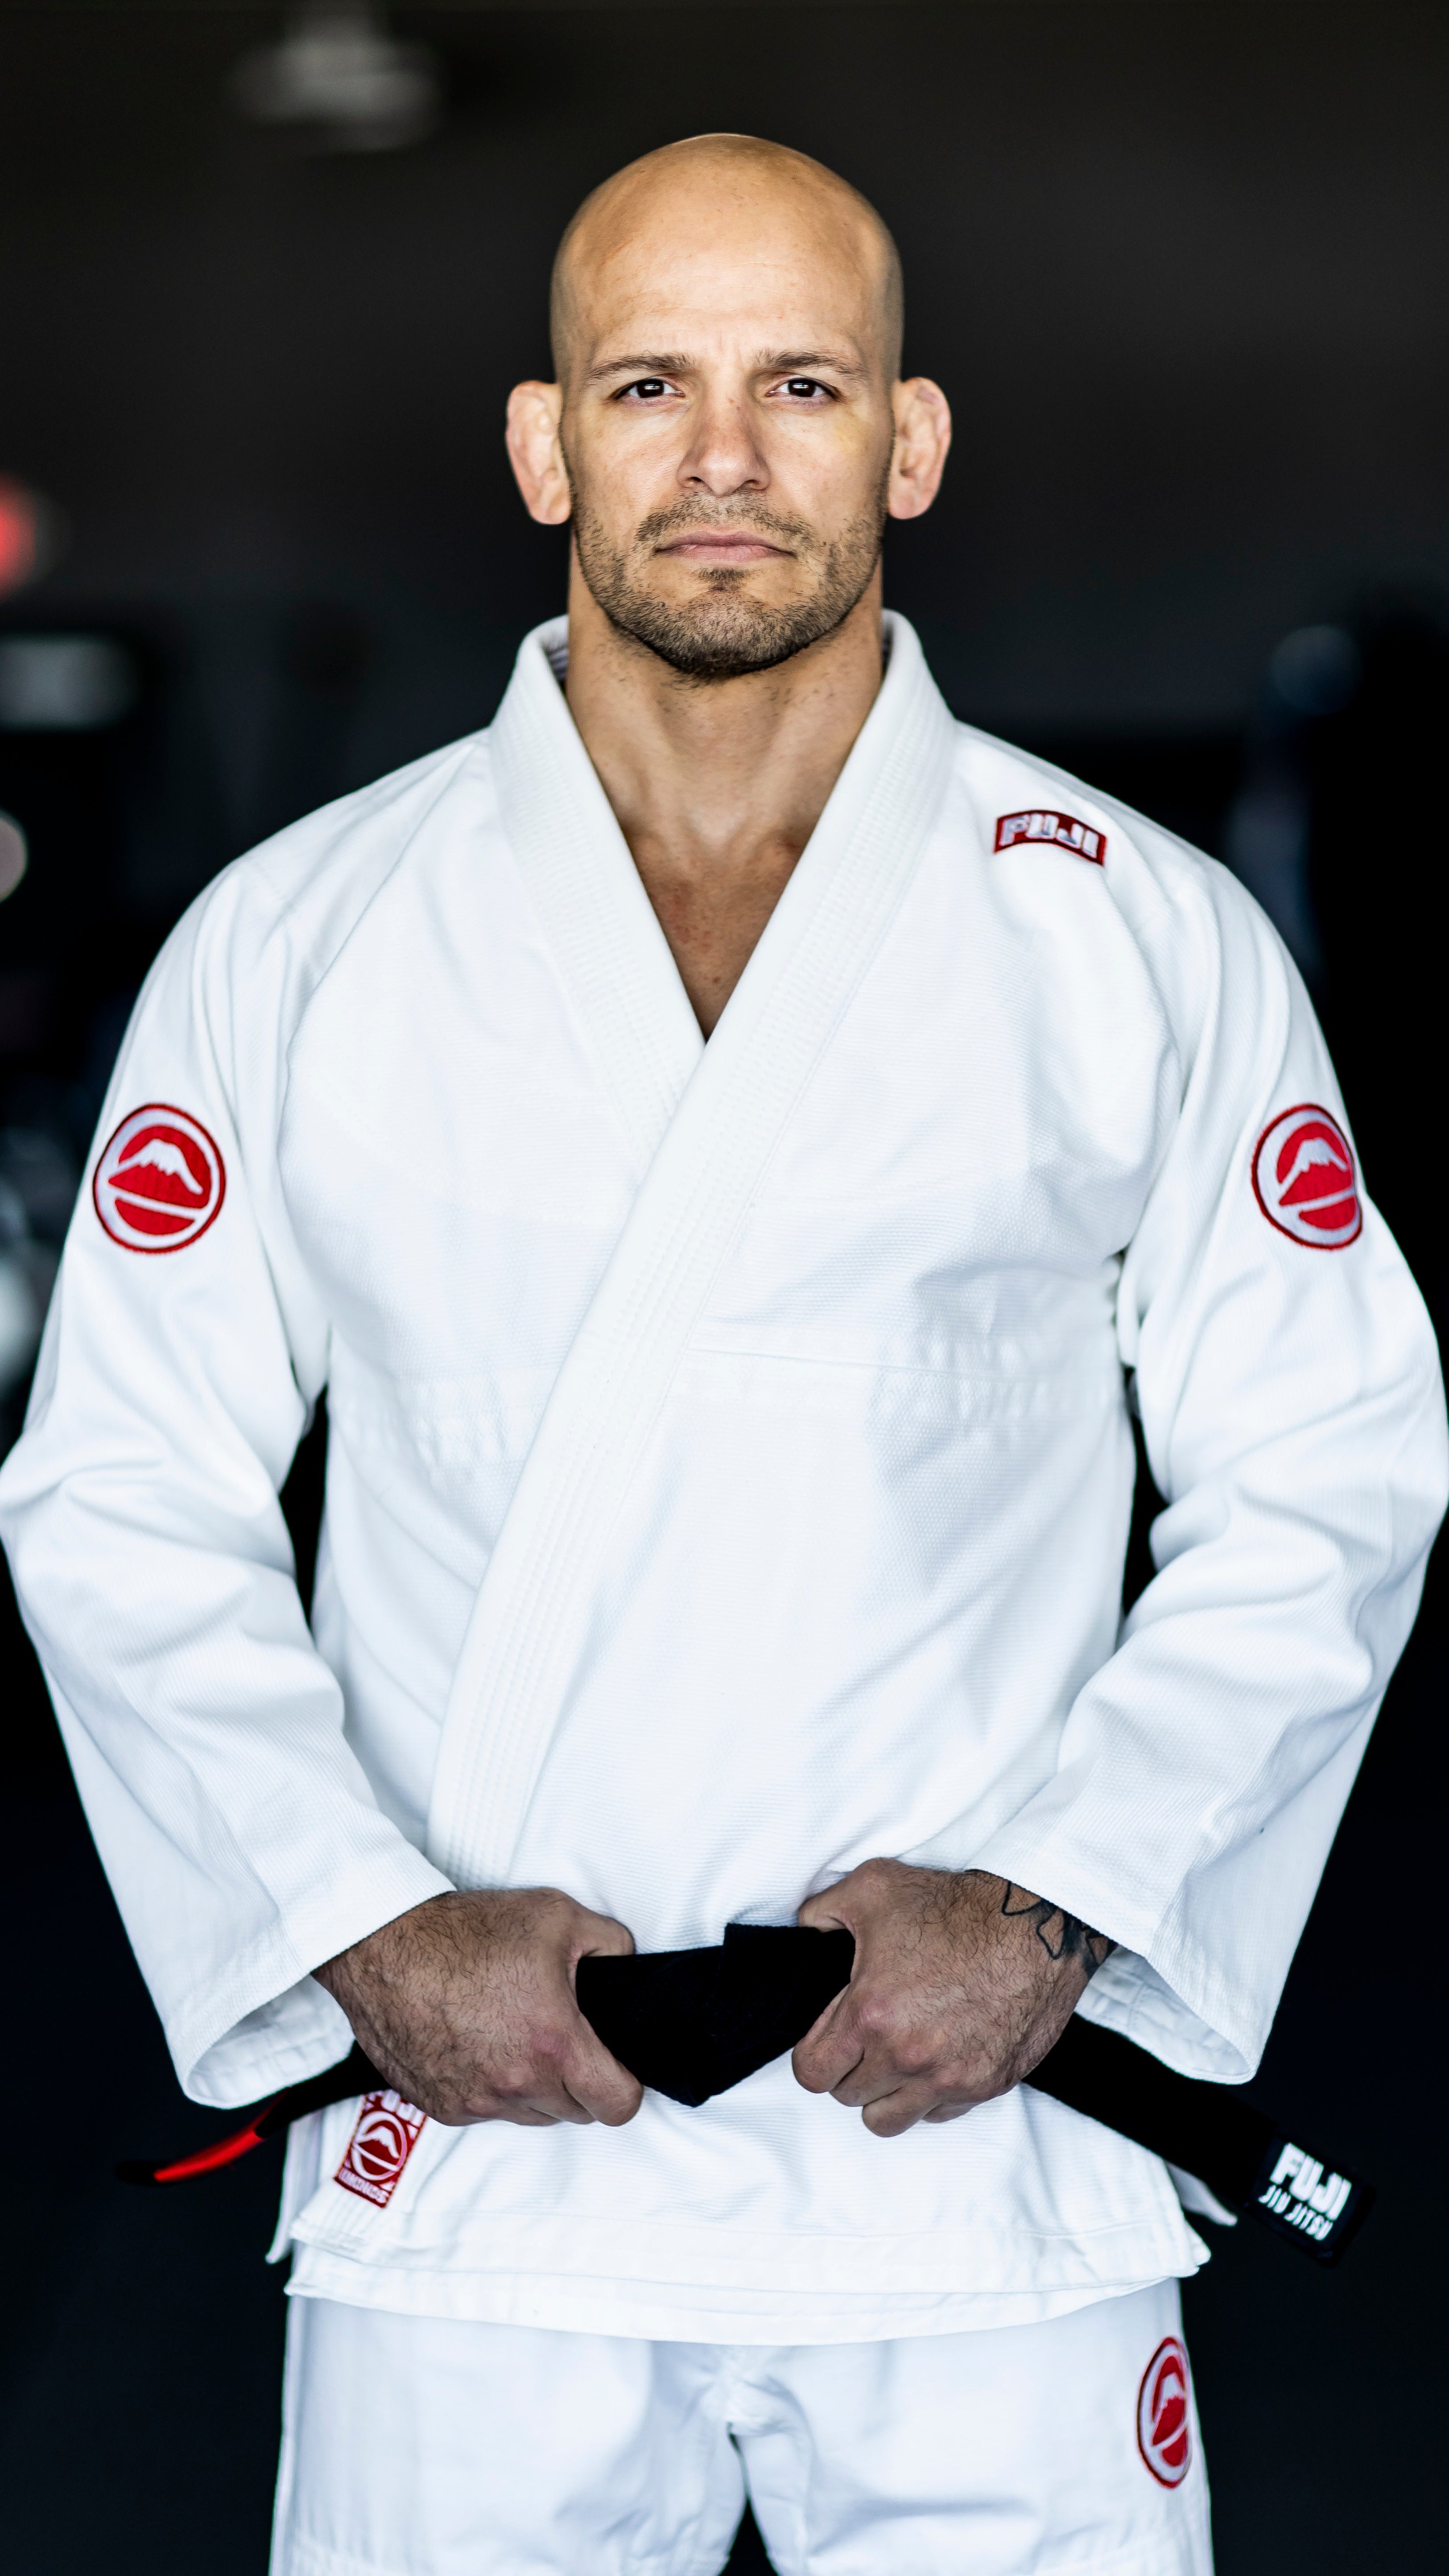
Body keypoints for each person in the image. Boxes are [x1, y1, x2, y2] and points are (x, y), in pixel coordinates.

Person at [1, 133, 1443, 2576]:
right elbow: (121, 1496)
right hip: (481, 2162)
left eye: (801, 381)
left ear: (910, 443)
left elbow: (1328, 1472)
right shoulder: (302, 940)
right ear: (544, 444)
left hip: (980, 2153)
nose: (723, 455)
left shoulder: (1135, 939)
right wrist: (359, 1921)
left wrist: (1059, 1901)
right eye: (646, 383)